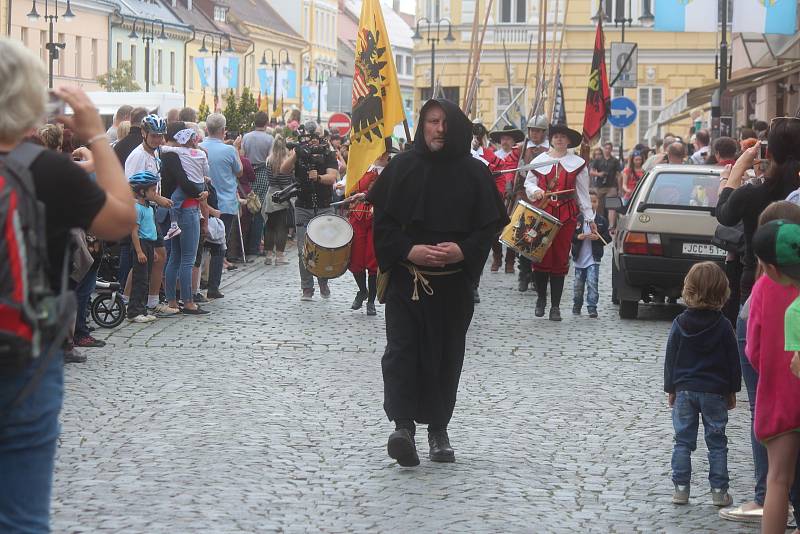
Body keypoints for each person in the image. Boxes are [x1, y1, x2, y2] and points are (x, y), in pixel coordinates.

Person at [0, 37, 136, 532]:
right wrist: (97, 137)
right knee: (19, 514)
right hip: (23, 354)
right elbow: (121, 220)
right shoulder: (48, 171)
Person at [367, 98, 508, 467]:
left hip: (452, 286)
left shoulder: (475, 173)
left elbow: (489, 226)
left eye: (445, 122)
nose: (439, 129)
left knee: (445, 355)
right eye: (432, 121)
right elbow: (381, 227)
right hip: (406, 280)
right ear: (422, 125)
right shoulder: (401, 169)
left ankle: (438, 429)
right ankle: (402, 427)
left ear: (457, 127)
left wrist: (462, 251)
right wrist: (409, 250)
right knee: (401, 352)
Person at [664, 261, 740, 507]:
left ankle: (681, 489)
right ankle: (719, 491)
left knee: (683, 441)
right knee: (717, 442)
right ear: (722, 292)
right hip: (715, 391)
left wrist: (671, 388)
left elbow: (671, 358)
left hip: (685, 389)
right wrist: (732, 390)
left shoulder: (680, 323)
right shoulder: (724, 325)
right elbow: (733, 361)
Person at [751, 218, 800, 534]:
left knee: (778, 480)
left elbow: (753, 347)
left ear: (770, 267)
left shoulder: (764, 287)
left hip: (782, 396)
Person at [525, 124, 596, 321]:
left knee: (560, 259)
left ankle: (555, 306)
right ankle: (541, 298)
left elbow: (582, 193)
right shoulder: (540, 160)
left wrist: (589, 218)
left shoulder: (578, 163)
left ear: (568, 141)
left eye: (563, 137)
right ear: (552, 139)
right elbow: (528, 183)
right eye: (556, 136)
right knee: (541, 257)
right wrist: (535, 191)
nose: (559, 140)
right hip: (543, 212)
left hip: (567, 215)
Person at [279, 121, 339, 301]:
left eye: (315, 138)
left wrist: (318, 177)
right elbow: (284, 169)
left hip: (324, 205)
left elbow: (332, 177)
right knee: (302, 250)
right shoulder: (299, 151)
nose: (312, 142)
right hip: (303, 206)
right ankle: (307, 288)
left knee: (324, 247)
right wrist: (297, 152)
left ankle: (323, 281)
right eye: (309, 138)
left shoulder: (328, 152)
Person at [124, 114, 176, 316]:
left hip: (151, 209)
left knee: (155, 257)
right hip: (142, 211)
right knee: (149, 257)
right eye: (154, 135)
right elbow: (134, 188)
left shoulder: (154, 153)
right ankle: (139, 301)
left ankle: (139, 300)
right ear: (144, 133)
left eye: (160, 136)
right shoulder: (138, 156)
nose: (157, 140)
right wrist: (158, 199)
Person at [162, 121, 208, 315]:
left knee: (174, 257)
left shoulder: (168, 155)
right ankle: (188, 301)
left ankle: (172, 301)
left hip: (175, 210)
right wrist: (202, 193)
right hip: (189, 210)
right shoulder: (188, 155)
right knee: (188, 258)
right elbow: (198, 179)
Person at [348, 142, 398, 316]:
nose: (382, 156)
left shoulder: (393, 173)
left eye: (385, 153)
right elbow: (353, 187)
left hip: (379, 220)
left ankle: (370, 301)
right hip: (359, 217)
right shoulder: (365, 169)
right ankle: (362, 291)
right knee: (356, 260)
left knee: (373, 261)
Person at [200, 113, 243, 261]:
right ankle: (215, 277)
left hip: (205, 201)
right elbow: (239, 171)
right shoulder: (229, 150)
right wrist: (236, 148)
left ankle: (204, 275)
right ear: (223, 130)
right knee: (220, 242)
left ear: (207, 128)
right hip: (225, 202)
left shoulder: (199, 147)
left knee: (204, 243)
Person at [514, 115, 550, 292]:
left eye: (538, 131)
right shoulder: (520, 149)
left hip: (543, 199)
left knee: (541, 238)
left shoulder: (550, 150)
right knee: (524, 236)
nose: (534, 134)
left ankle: (538, 276)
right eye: (532, 130)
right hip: (524, 197)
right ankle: (523, 273)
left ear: (544, 132)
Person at [487, 125, 524, 273]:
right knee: (494, 228)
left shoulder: (519, 156)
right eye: (503, 138)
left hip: (515, 196)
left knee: (514, 228)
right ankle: (497, 257)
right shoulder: (494, 155)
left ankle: (510, 260)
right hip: (497, 197)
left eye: (508, 138)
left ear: (513, 140)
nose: (505, 141)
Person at [571, 191, 610, 318]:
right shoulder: (577, 219)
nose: (592, 204)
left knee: (593, 283)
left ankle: (592, 307)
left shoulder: (601, 221)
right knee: (578, 285)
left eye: (594, 201)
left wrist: (597, 238)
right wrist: (579, 236)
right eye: (589, 201)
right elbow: (571, 236)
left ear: (598, 203)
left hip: (593, 259)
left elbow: (607, 238)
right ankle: (577, 305)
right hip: (579, 259)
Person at [127, 171, 159, 323]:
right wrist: (139, 251)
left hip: (149, 245)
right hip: (141, 244)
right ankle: (133, 311)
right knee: (140, 279)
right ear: (141, 192)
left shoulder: (149, 208)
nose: (156, 192)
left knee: (146, 279)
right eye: (153, 190)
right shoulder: (137, 208)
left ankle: (142, 309)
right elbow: (134, 230)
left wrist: (153, 250)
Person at [242, 111, 274, 256]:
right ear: (266, 123)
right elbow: (270, 159)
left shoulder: (246, 137)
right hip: (262, 174)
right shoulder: (269, 139)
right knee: (259, 210)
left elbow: (242, 155)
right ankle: (254, 247)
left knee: (247, 208)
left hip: (248, 173)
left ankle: (245, 243)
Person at [261, 135, 294, 266]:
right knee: (282, 227)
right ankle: (280, 256)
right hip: (284, 195)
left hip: (271, 194)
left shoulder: (269, 160)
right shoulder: (287, 161)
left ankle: (268, 255)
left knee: (270, 226)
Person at [589, 141, 621, 224]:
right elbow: (591, 172)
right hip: (600, 186)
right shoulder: (598, 160)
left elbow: (619, 175)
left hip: (612, 186)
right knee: (599, 207)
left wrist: (620, 189)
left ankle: (611, 226)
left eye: (609, 149)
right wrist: (599, 174)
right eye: (606, 148)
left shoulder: (615, 160)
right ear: (603, 149)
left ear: (611, 150)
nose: (607, 150)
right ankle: (599, 223)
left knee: (612, 207)